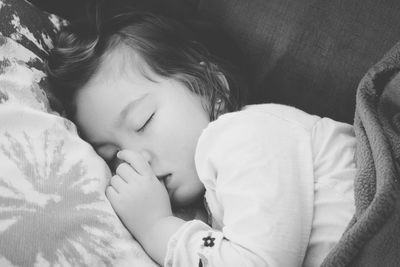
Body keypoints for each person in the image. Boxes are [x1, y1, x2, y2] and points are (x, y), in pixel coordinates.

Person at [46, 11, 356, 267]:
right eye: (113, 155)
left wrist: (156, 226)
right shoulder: (211, 189)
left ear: (210, 86)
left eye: (143, 122)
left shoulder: (245, 134)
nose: (136, 159)